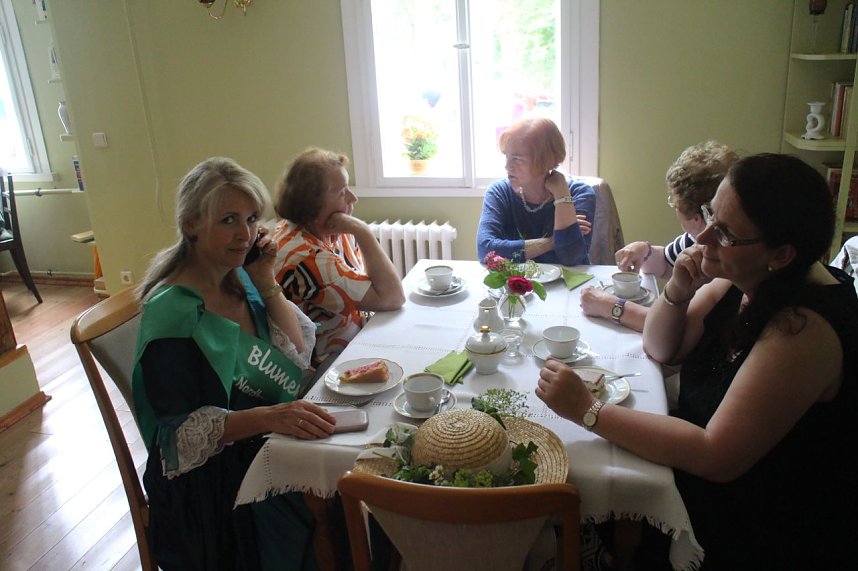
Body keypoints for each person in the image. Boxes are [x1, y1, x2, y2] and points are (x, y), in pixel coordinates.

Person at [537, 154, 858, 569]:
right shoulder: (743, 276)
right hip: (701, 480)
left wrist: (588, 410)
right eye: (710, 215)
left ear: (780, 254)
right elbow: (662, 348)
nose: (702, 236)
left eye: (723, 232)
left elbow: (716, 456)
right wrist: (676, 293)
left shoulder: (804, 328)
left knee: (575, 506)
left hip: (760, 524)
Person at [132, 157, 336, 570]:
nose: (244, 235)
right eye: (227, 220)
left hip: (263, 438)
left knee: (354, 477)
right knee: (331, 501)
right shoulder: (173, 312)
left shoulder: (240, 277)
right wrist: (268, 418)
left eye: (251, 218)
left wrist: (265, 281)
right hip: (209, 480)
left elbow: (294, 359)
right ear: (191, 224)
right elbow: (177, 435)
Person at [581, 141, 738, 332]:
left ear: (698, 218)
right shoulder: (695, 238)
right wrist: (645, 251)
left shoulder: (721, 258)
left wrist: (609, 306)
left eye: (674, 203)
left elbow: (674, 327)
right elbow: (667, 262)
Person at [271, 148, 405, 366]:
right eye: (342, 192)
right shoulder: (307, 257)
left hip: (355, 341)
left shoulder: (328, 229)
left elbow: (377, 289)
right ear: (312, 205)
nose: (354, 198)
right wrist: (363, 231)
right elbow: (392, 298)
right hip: (327, 366)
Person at [476, 117, 595, 266]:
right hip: (517, 285)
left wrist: (562, 196)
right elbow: (485, 251)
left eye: (517, 159)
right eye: (507, 156)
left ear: (545, 161)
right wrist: (552, 241)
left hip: (568, 285)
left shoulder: (580, 193)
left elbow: (572, 257)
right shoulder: (499, 192)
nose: (507, 166)